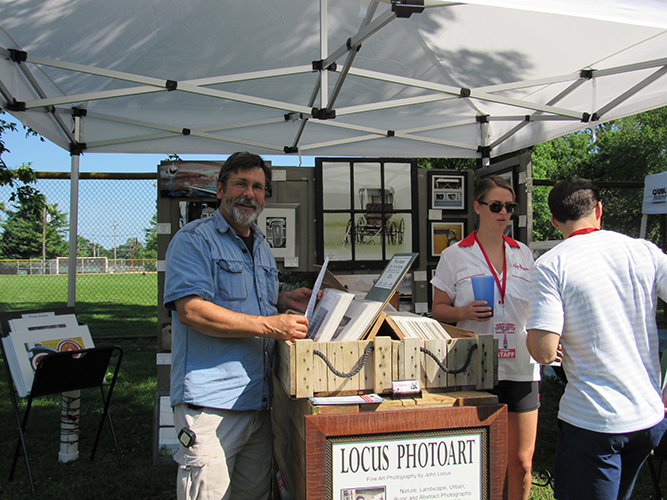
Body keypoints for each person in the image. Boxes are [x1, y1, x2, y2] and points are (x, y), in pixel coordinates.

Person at [164, 151, 316, 500]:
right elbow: (192, 310)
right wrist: (270, 325)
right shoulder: (193, 240)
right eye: (241, 184)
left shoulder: (260, 245)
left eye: (259, 187)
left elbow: (253, 299)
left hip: (258, 402)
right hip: (211, 405)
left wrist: (286, 299)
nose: (250, 194)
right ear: (220, 190)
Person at [526, 178, 667, 500]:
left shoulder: (551, 264)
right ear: (599, 210)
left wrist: (536, 339)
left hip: (593, 420)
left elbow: (545, 351)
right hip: (646, 415)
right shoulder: (643, 250)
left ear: (554, 221)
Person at [431, 175, 539, 500]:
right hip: (476, 366)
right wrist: (462, 312)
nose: (503, 212)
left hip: (522, 365)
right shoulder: (455, 255)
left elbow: (538, 308)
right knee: (479, 460)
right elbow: (438, 309)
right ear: (478, 207)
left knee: (521, 461)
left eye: (509, 206)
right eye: (495, 205)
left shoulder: (524, 254)